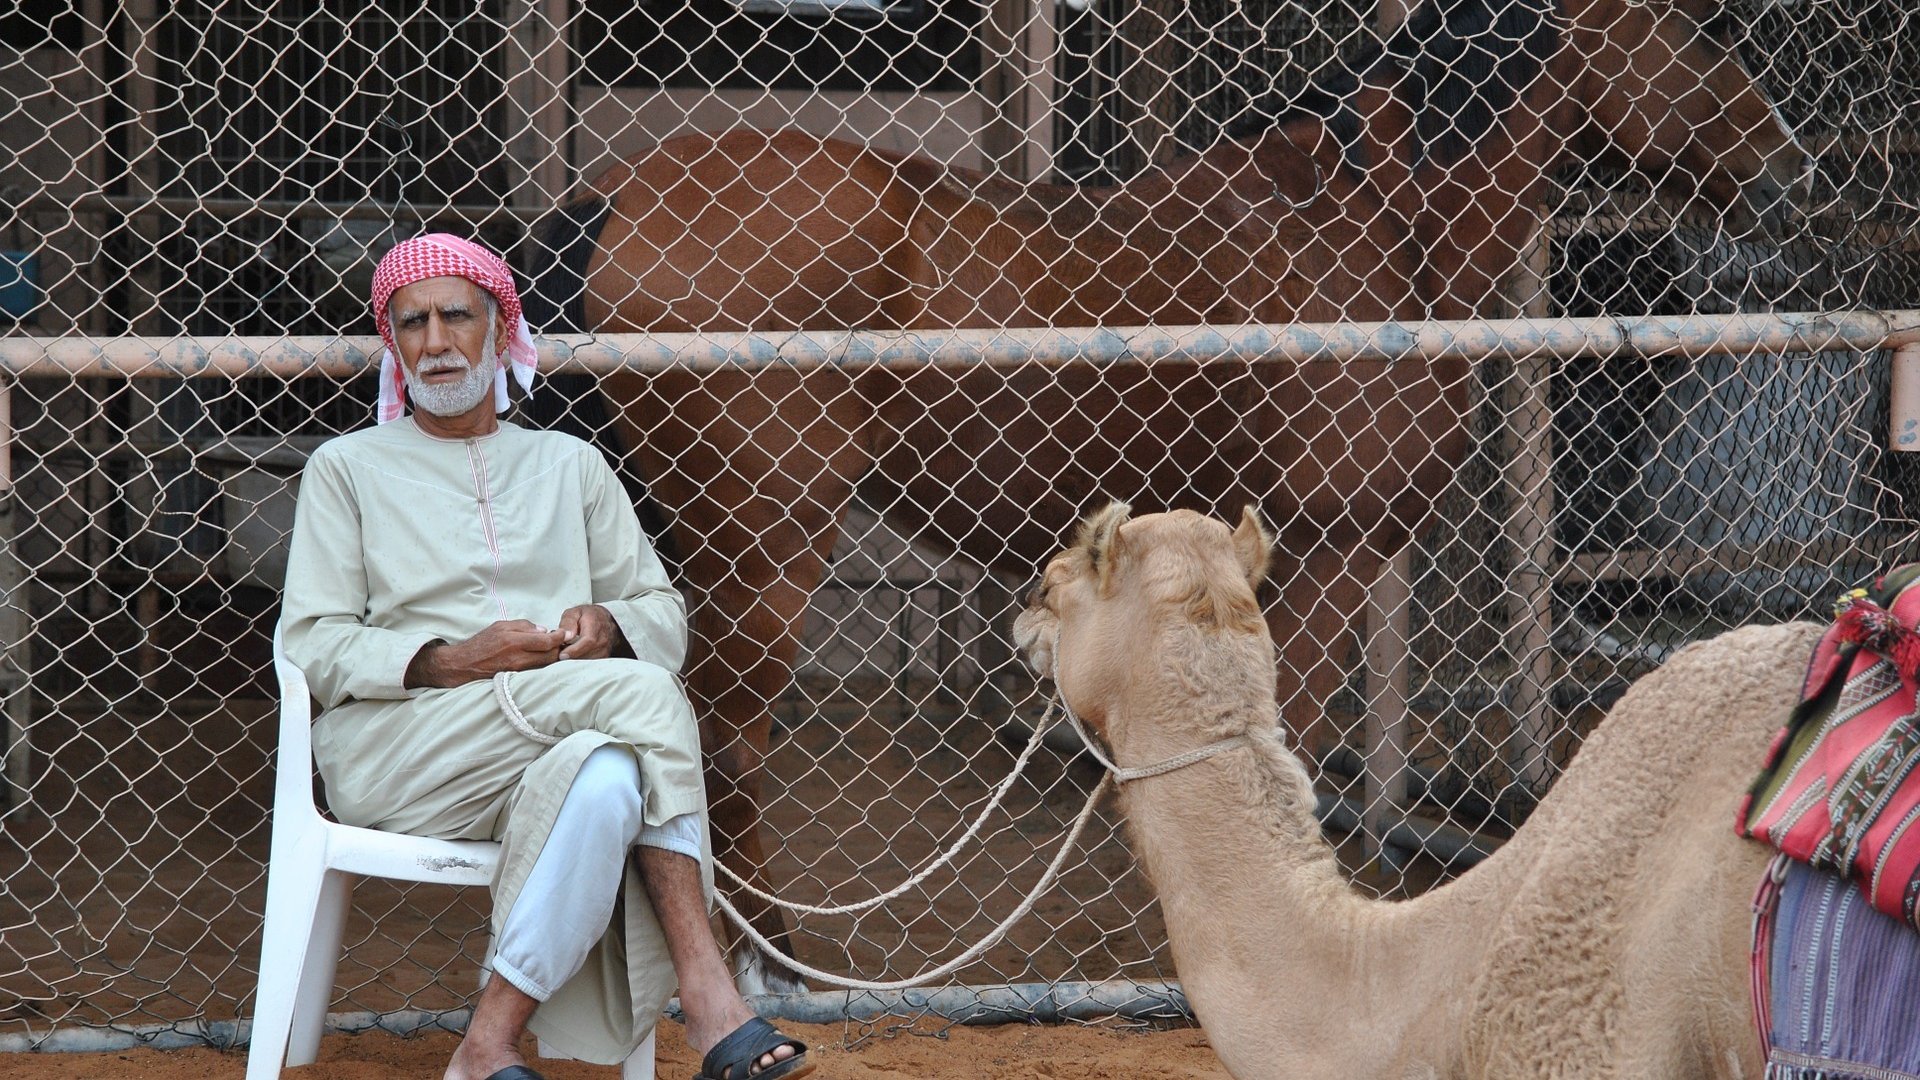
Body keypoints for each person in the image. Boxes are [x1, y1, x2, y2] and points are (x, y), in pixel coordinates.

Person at [279, 233, 812, 1080]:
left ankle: (486, 1044)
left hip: (556, 739)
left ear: (501, 327)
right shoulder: (346, 470)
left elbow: (663, 613)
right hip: (404, 748)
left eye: (458, 315)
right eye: (412, 322)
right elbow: (311, 642)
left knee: (608, 781)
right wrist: (452, 658)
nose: (437, 342)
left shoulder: (574, 465)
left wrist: (610, 622)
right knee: (639, 702)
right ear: (393, 343)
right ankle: (707, 990)